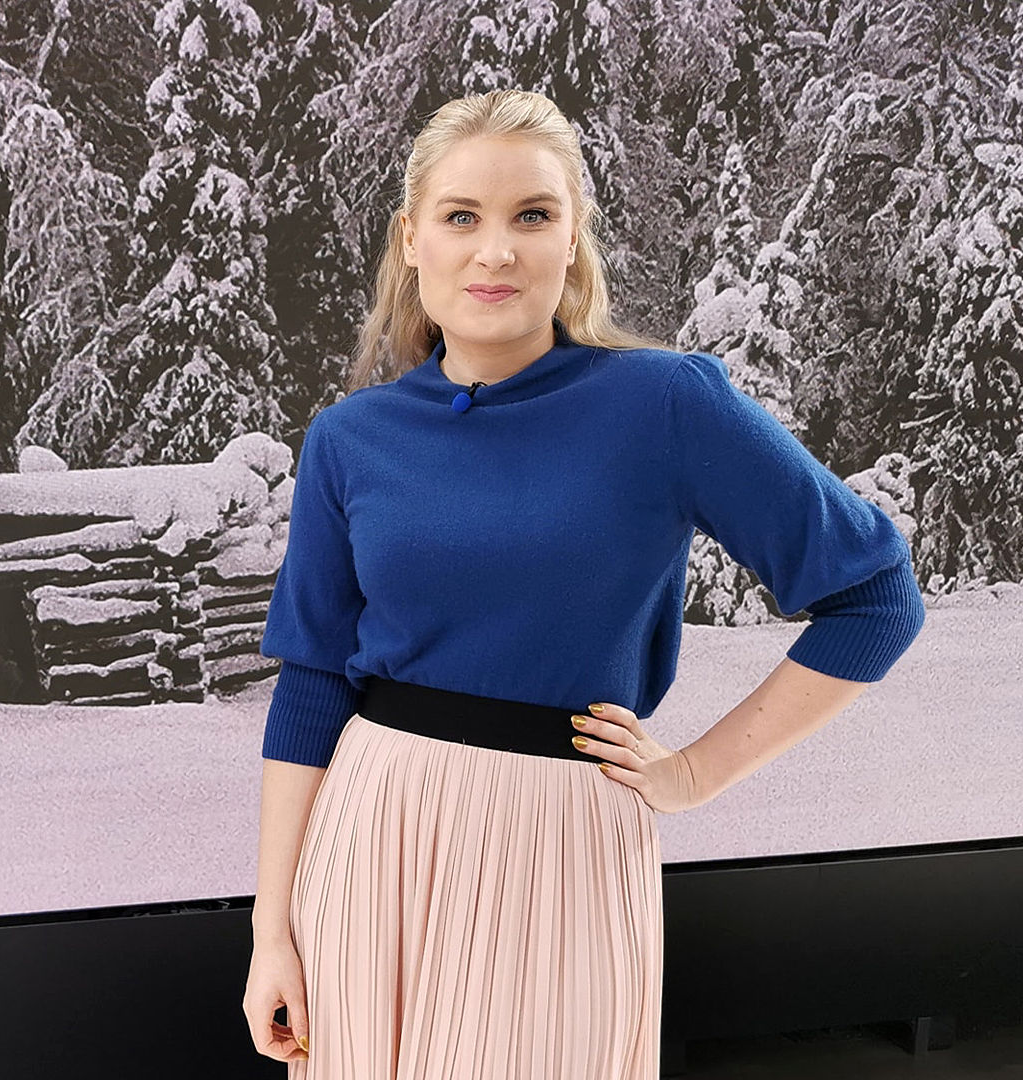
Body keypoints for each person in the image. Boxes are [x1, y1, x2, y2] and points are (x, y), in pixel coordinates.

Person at [241, 89, 925, 1078]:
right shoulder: (350, 439)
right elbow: (311, 685)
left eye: (532, 215)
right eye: (461, 216)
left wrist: (696, 773)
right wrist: (272, 932)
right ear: (411, 240)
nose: (496, 251)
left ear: (572, 240)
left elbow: (877, 599)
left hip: (562, 847)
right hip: (372, 834)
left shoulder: (663, 403)